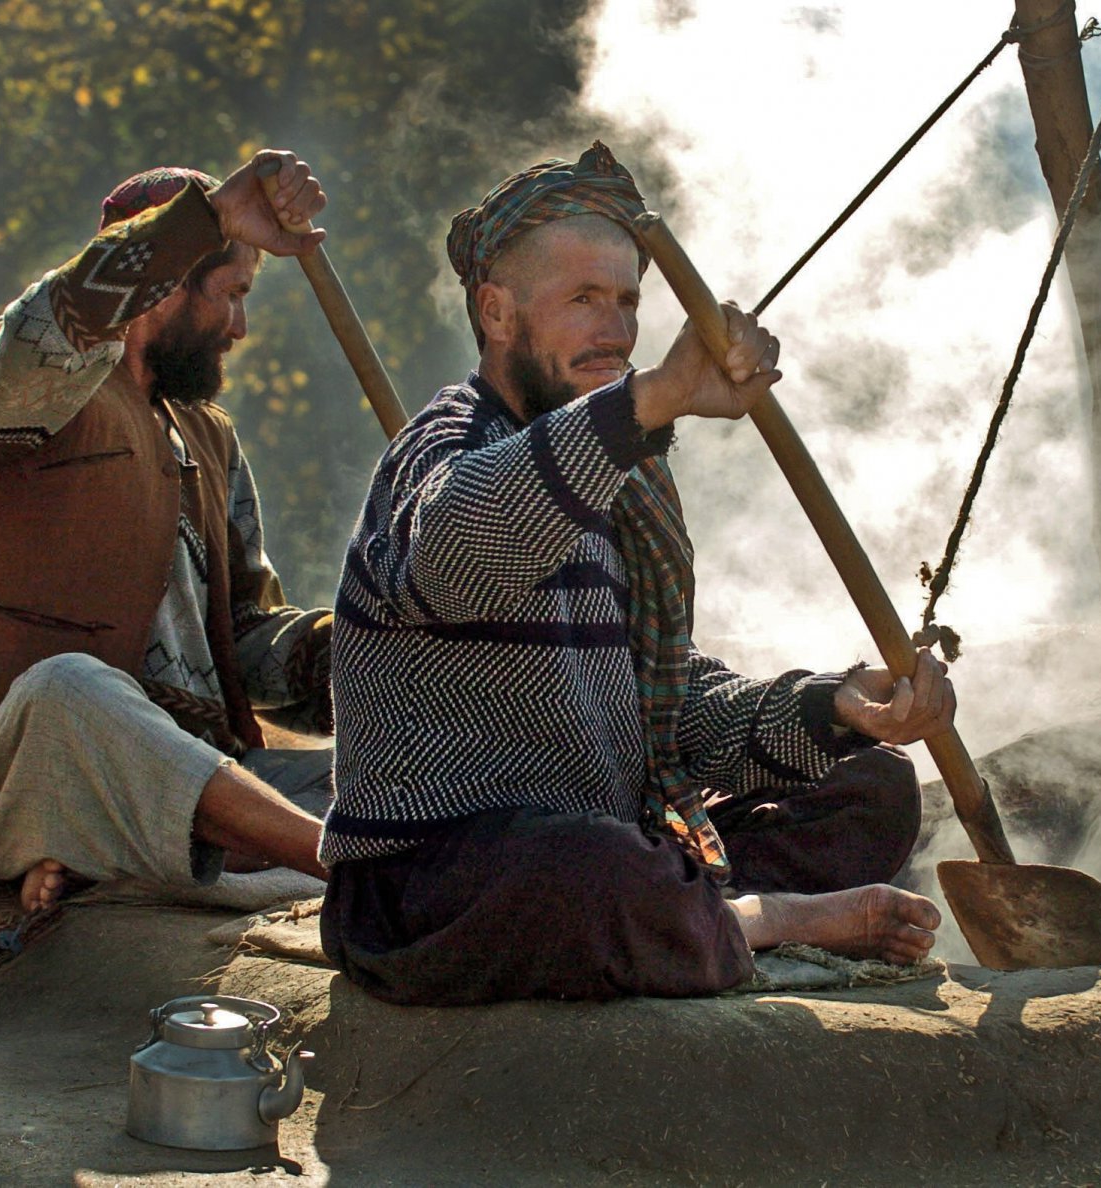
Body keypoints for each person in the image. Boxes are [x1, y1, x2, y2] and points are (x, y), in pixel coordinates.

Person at [319, 142, 949, 1004]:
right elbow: (455, 549)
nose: (616, 333)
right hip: (436, 881)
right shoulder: (448, 446)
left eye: (627, 302)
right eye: (583, 300)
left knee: (870, 781)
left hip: (612, 840)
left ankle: (708, 915)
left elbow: (665, 704)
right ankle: (766, 922)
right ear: (497, 315)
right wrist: (652, 399)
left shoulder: (622, 475)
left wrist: (837, 704)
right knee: (590, 869)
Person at [0, 150, 338, 914]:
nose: (239, 325)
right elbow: (56, 322)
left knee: (403, 770)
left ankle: (169, 856)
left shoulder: (210, 437)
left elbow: (247, 638)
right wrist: (209, 218)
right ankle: (337, 865)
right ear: (164, 285)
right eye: (231, 294)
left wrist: (370, 654)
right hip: (42, 771)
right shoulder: (35, 389)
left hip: (210, 779)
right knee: (70, 688)